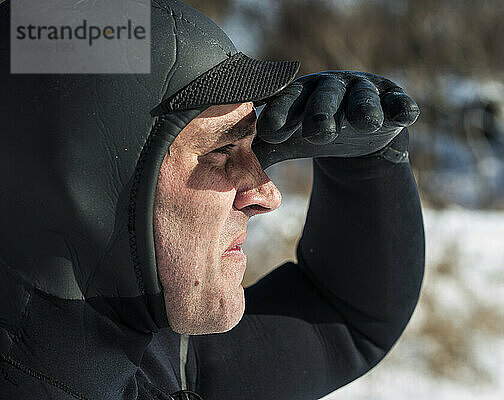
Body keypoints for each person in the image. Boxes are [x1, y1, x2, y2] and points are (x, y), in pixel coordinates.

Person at [0, 0, 425, 399]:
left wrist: (369, 162)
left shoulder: (150, 358)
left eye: (253, 150)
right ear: (89, 184)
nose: (267, 195)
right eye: (221, 152)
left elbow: (343, 323)